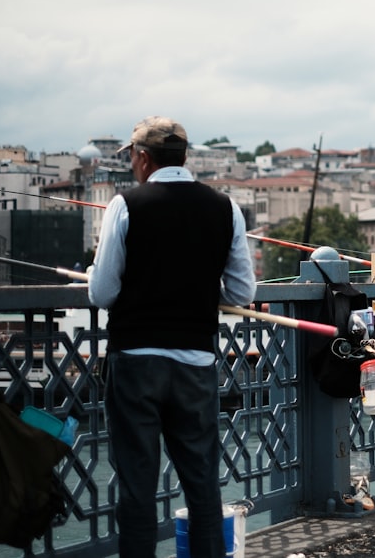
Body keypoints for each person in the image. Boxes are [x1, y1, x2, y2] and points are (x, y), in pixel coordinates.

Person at [88, 117, 256, 558]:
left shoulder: (126, 205)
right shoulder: (225, 208)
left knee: (137, 486)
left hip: (136, 360)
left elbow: (102, 292)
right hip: (196, 362)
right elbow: (242, 292)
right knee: (202, 485)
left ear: (142, 158)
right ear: (184, 157)